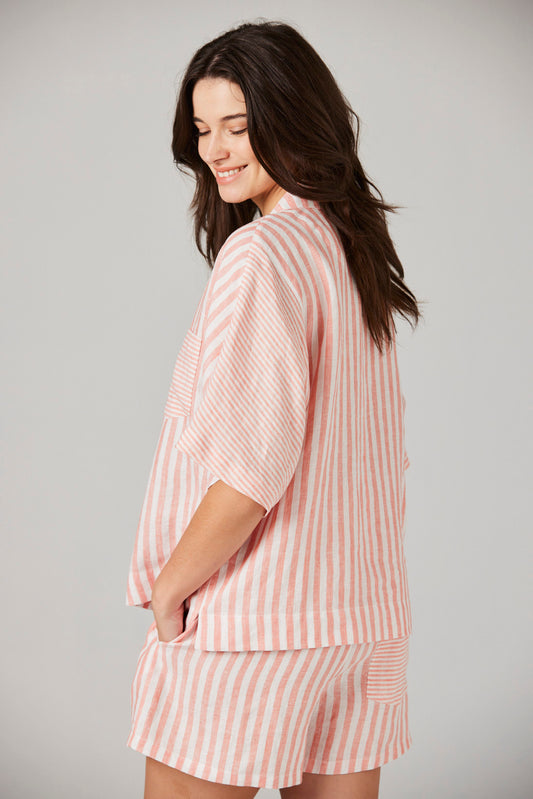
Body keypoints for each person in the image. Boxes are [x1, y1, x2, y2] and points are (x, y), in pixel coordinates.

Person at [125, 19, 422, 799]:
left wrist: (168, 589)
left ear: (290, 118)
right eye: (201, 129)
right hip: (360, 621)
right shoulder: (352, 251)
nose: (214, 149)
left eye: (237, 126)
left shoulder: (261, 252)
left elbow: (251, 469)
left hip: (256, 622)